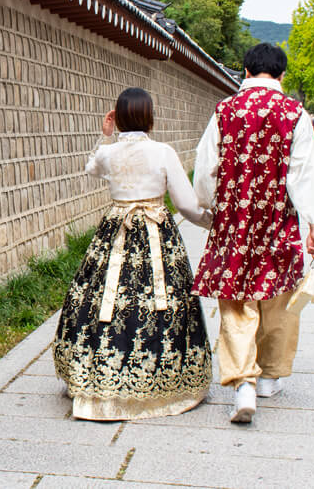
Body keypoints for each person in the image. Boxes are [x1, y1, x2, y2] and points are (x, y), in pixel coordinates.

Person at [193, 43, 314, 423]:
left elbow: (206, 165)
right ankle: (270, 376)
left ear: (246, 70)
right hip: (277, 221)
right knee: (279, 297)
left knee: (237, 303)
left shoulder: (225, 110)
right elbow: (304, 172)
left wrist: (209, 205)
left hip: (234, 223)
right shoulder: (294, 113)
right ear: (282, 75)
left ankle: (243, 384)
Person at [55, 87, 214, 421]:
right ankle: (162, 375)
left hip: (116, 227)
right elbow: (185, 203)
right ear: (149, 116)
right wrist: (211, 223)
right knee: (161, 299)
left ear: (120, 116)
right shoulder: (163, 152)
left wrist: (105, 136)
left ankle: (100, 370)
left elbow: (90, 168)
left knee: (104, 298)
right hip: (157, 229)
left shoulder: (108, 154)